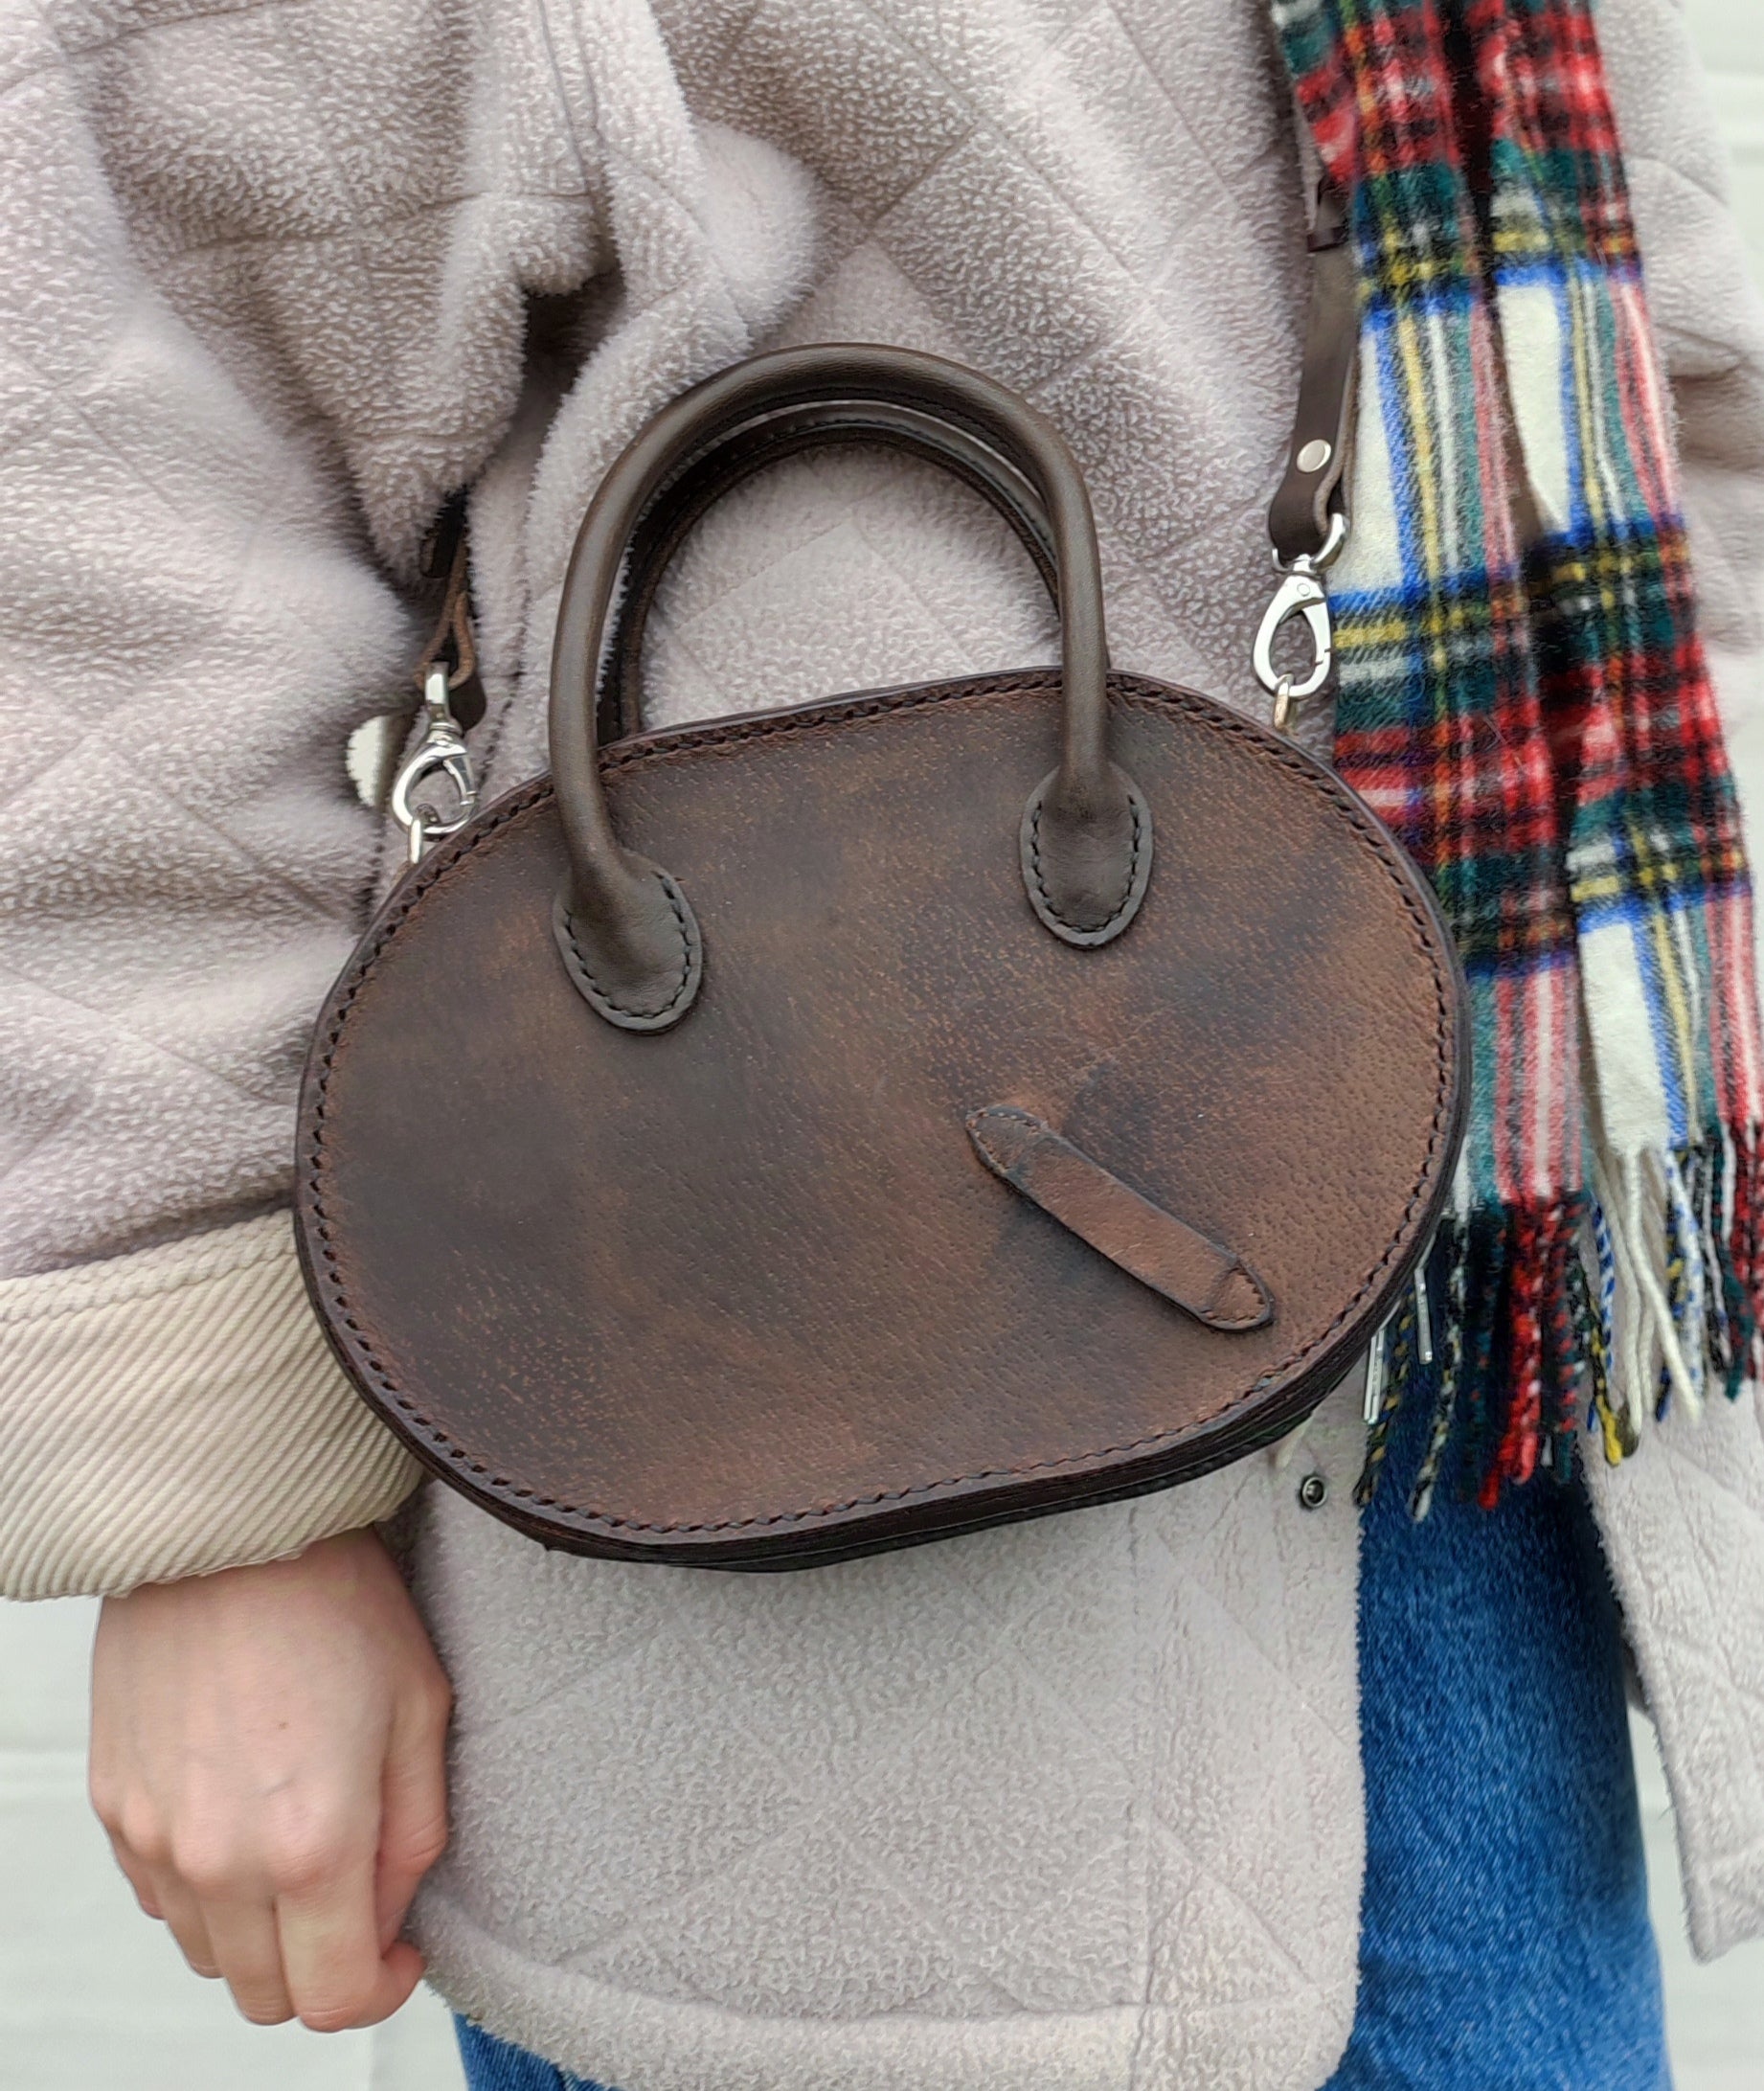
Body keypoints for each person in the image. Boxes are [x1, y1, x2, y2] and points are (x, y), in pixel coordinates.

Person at [5, 0, 1764, 2086]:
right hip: (789, 1466)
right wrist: (227, 1520)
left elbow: (1680, 370)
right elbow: (126, 455)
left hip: (1487, 1359)